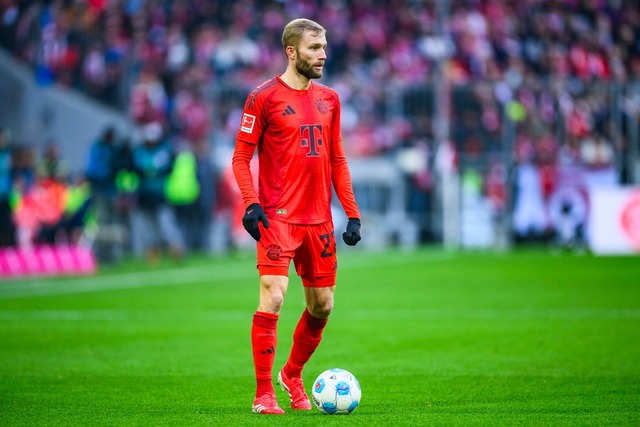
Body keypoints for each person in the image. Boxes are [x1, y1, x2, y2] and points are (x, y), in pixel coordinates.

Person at [231, 18, 362, 415]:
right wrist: (251, 204)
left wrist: (352, 214)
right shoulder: (262, 97)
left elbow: (337, 159)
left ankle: (292, 373)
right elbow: (240, 157)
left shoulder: (331, 99)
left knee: (322, 305)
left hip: (319, 221)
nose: (323, 54)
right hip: (277, 219)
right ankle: (263, 394)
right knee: (273, 296)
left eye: (324, 47)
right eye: (314, 48)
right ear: (292, 52)